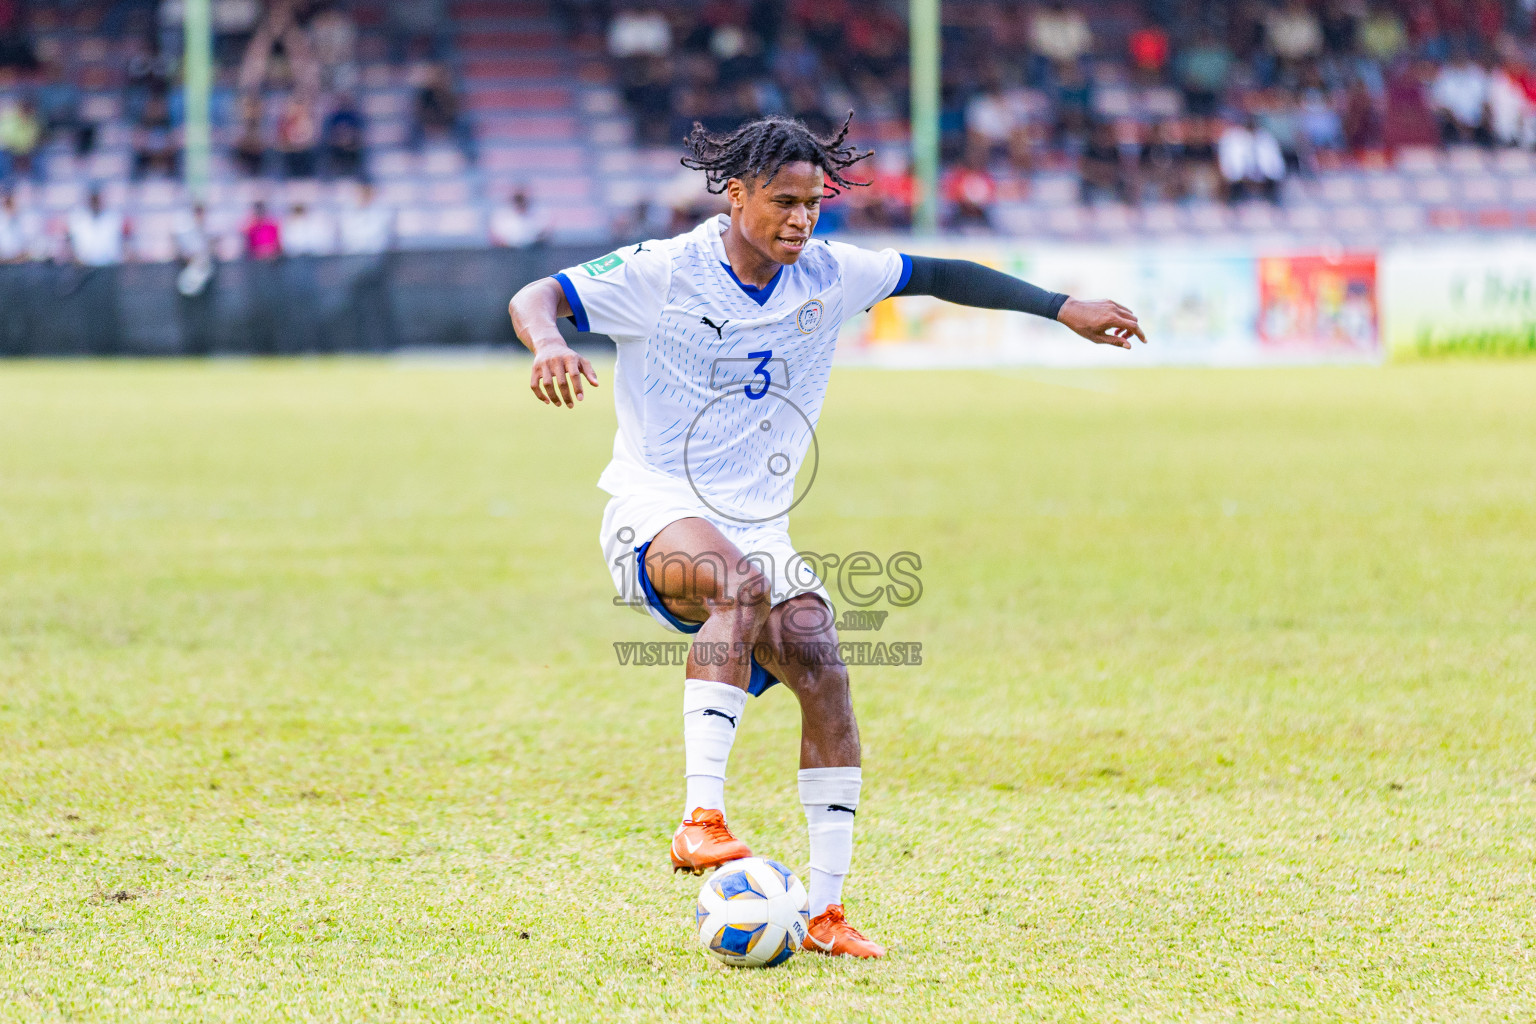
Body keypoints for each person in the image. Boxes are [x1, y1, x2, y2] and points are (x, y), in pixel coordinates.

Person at [506, 113, 1145, 961]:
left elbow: (940, 272)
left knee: (828, 672)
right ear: (735, 196)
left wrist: (1062, 306)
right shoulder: (666, 271)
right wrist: (550, 342)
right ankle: (701, 818)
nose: (802, 220)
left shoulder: (830, 273)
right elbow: (536, 294)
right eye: (783, 202)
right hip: (653, 507)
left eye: (814, 203)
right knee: (739, 583)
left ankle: (827, 914)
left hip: (759, 526)